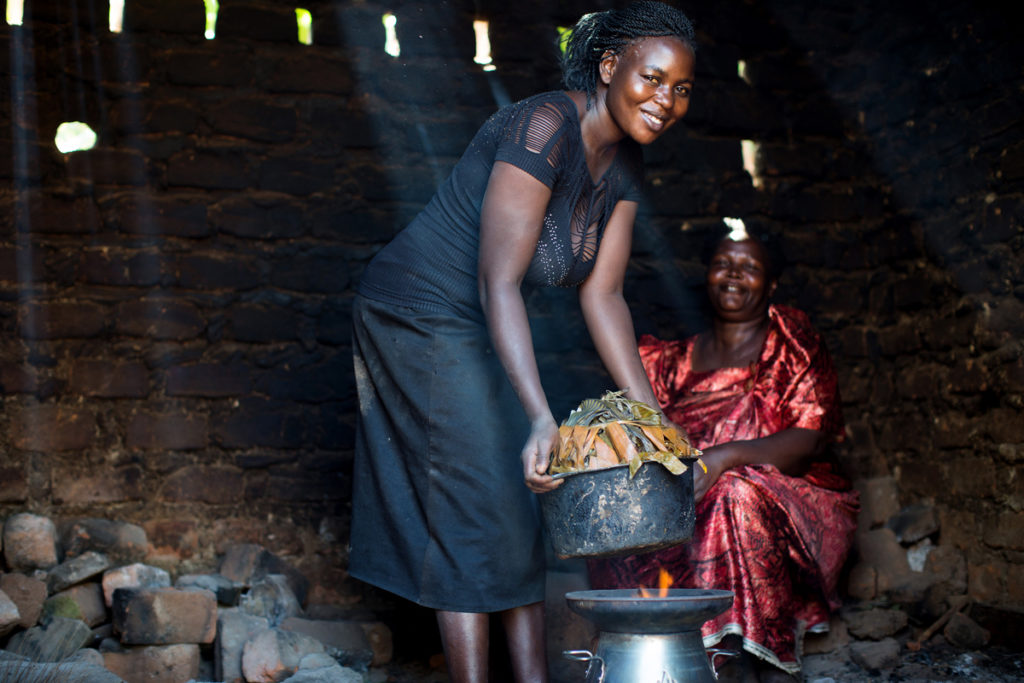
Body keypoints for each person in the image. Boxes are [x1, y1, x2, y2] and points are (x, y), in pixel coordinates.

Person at [348, 3, 697, 681]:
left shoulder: (624, 167)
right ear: (608, 67)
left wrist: (652, 418)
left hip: (478, 319)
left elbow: (603, 294)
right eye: (652, 79)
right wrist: (540, 415)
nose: (666, 101)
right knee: (470, 499)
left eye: (682, 88)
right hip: (415, 310)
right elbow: (498, 281)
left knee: (519, 491)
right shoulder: (544, 126)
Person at [587, 225, 860, 682]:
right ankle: (648, 643)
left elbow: (810, 439)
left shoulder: (789, 342)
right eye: (723, 264)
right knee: (621, 496)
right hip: (685, 500)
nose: (733, 275)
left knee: (732, 493)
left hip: (793, 500)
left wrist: (722, 458)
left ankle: (742, 654)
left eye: (749, 267)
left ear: (771, 284)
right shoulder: (665, 363)